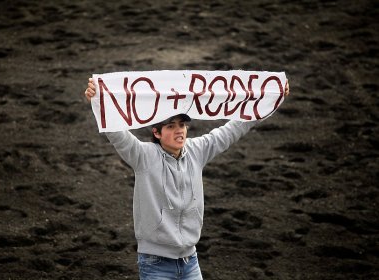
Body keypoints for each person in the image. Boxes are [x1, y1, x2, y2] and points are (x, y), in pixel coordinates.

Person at [85, 77, 289, 279]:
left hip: (190, 260)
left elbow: (232, 130)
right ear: (156, 133)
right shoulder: (143, 156)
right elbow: (117, 134)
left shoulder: (196, 150)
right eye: (171, 126)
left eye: (182, 125)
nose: (179, 130)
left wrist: (268, 100)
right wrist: (98, 100)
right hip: (155, 263)